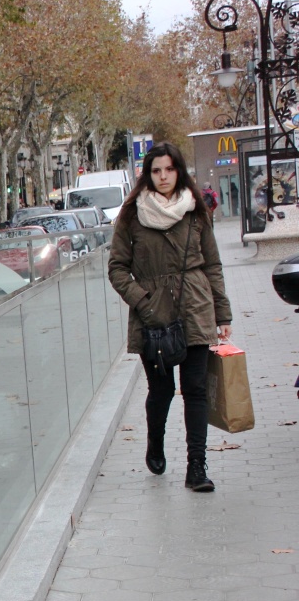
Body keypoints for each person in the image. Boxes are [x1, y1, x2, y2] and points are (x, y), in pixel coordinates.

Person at [109, 141, 232, 493]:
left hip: (195, 307)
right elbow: (117, 268)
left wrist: (222, 313)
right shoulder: (131, 215)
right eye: (156, 170)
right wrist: (142, 301)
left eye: (169, 169)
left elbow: (212, 264)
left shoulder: (196, 211)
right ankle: (156, 443)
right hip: (153, 314)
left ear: (179, 171)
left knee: (195, 390)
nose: (163, 176)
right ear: (148, 175)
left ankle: (197, 467)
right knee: (161, 390)